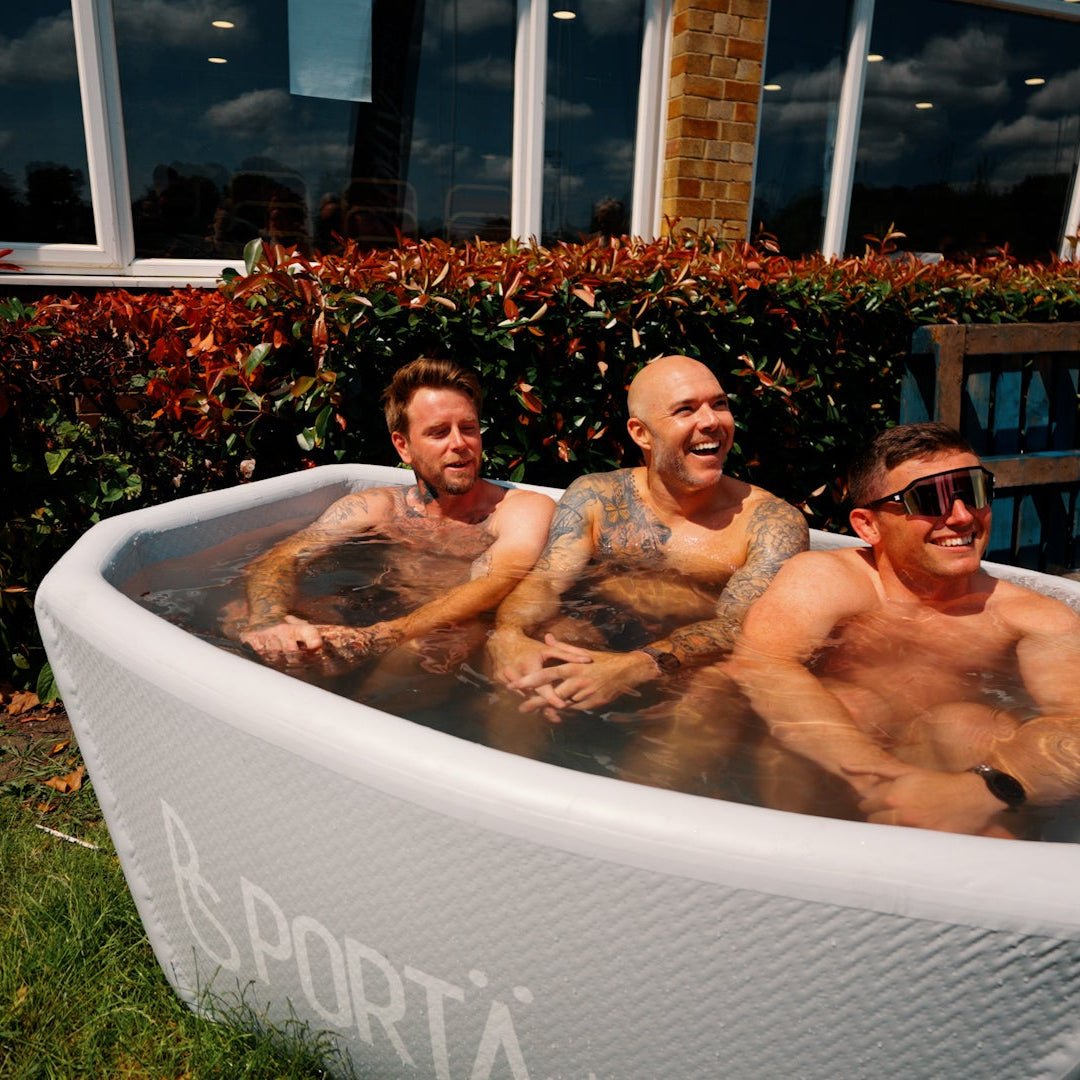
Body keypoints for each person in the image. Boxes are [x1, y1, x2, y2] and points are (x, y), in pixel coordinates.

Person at [729, 421, 1080, 837]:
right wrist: (883, 777)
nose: (962, 516)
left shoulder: (1034, 617)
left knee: (969, 726)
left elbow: (1075, 723)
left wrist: (980, 791)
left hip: (953, 766)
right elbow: (761, 664)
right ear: (868, 525)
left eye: (974, 491)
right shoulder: (828, 580)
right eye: (929, 499)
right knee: (847, 703)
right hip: (828, 773)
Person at [485, 354, 809, 787]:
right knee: (547, 648)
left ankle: (637, 826)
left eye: (720, 404)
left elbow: (742, 629)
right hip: (602, 630)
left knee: (717, 690)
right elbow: (546, 579)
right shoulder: (597, 496)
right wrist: (508, 636)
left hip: (694, 664)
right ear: (641, 433)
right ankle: (508, 797)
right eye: (686, 409)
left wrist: (635, 666)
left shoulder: (770, 522)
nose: (711, 421)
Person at [235, 358, 556, 684]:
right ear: (403, 446)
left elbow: (497, 580)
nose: (460, 443)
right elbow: (283, 556)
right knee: (237, 615)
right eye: (439, 432)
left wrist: (381, 636)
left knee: (426, 647)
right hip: (382, 612)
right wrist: (267, 619)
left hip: (464, 630)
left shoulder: (520, 509)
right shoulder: (377, 507)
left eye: (469, 428)